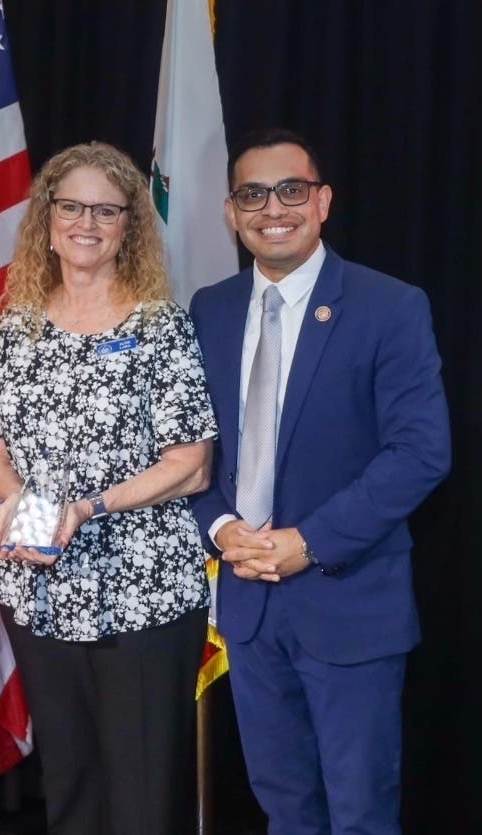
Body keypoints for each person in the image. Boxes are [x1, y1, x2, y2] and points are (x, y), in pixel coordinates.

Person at [189, 128, 451, 834]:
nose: (272, 207)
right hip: (246, 603)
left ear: (322, 200)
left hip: (349, 600)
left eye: (290, 189)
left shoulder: (389, 306)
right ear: (230, 212)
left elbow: (420, 451)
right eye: (252, 194)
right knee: (284, 806)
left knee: (360, 812)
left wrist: (308, 540)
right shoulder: (206, 311)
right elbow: (187, 450)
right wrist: (219, 528)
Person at [0, 141, 217, 835]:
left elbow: (190, 464)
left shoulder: (158, 326)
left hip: (141, 592)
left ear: (128, 225)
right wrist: (16, 497)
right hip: (39, 591)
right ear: (46, 218)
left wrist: (87, 506)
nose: (86, 221)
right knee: (71, 785)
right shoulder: (16, 324)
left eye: (105, 209)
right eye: (71, 205)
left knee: (140, 796)